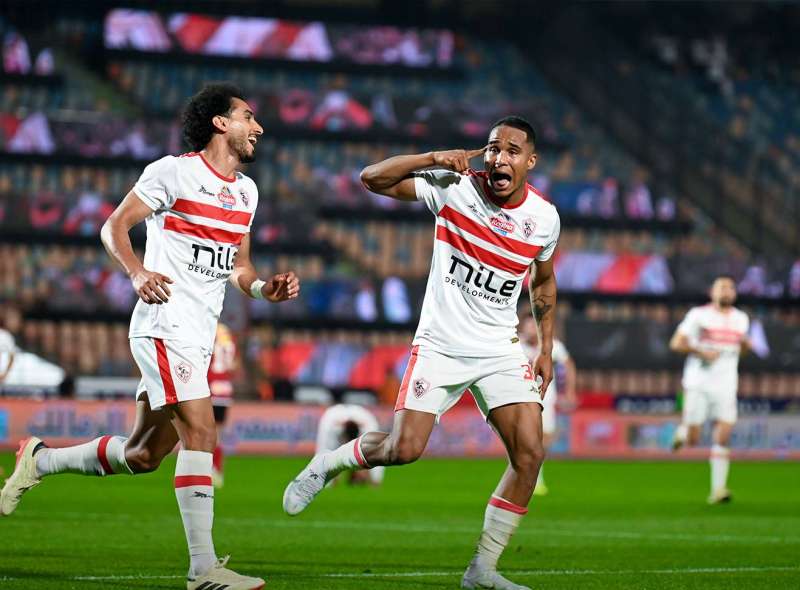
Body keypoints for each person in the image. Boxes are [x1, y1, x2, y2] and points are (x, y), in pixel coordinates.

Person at [1, 83, 300, 590]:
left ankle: (40, 459)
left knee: (143, 455)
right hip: (165, 325)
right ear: (220, 122)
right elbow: (114, 227)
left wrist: (262, 289)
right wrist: (137, 272)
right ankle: (203, 569)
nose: (259, 127)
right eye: (249, 116)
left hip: (199, 336)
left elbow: (240, 265)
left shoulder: (246, 192)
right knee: (202, 433)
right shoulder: (172, 173)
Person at [283, 116, 560, 590]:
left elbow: (544, 280)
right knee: (403, 449)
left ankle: (483, 570)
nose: (499, 158)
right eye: (493, 148)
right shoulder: (455, 188)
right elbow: (372, 179)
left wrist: (546, 348)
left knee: (530, 454)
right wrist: (432, 158)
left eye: (512, 151)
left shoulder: (545, 218)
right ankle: (328, 463)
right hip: (440, 345)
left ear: (530, 161)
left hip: (499, 348)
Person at [670, 275, 751, 504]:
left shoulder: (741, 319)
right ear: (712, 292)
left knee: (723, 435)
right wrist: (701, 352)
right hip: (699, 383)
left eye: (730, 287)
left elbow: (741, 351)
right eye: (721, 287)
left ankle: (718, 490)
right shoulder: (699, 315)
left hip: (726, 384)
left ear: (734, 293)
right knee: (693, 440)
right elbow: (676, 343)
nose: (726, 291)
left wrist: (745, 345)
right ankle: (683, 432)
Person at [518, 315, 576, 496]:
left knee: (544, 439)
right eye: (527, 326)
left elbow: (568, 364)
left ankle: (536, 476)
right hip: (520, 398)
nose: (530, 329)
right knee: (524, 439)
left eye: (533, 326)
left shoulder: (551, 345)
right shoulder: (514, 344)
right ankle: (525, 477)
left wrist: (570, 391)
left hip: (545, 398)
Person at [315, 403, 385, 486]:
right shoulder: (330, 426)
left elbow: (376, 455)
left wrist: (375, 480)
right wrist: (329, 481)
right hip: (336, 416)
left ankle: (357, 475)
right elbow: (323, 452)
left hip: (361, 414)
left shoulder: (368, 428)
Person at [208, 322, 238, 488]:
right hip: (225, 390)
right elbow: (234, 365)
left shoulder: (208, 330)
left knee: (204, 433)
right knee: (217, 434)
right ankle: (217, 471)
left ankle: (206, 470)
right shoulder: (228, 335)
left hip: (210, 389)